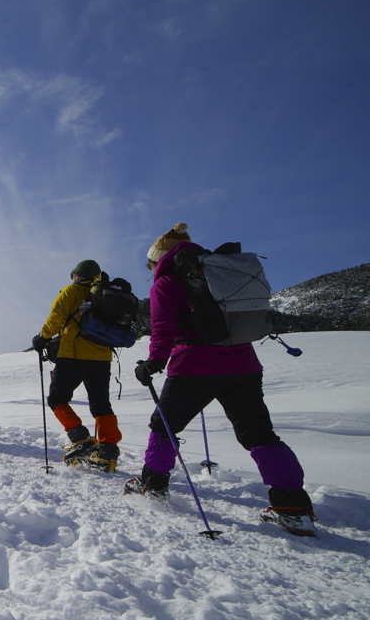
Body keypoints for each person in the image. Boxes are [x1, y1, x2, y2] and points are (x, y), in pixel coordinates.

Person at [127, 223, 316, 537]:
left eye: (150, 265)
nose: (150, 270)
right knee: (260, 433)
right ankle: (293, 508)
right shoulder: (218, 272)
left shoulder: (168, 281)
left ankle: (152, 485)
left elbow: (163, 329)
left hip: (195, 366)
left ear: (158, 259)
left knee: (165, 425)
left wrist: (153, 363)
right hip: (244, 364)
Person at [31, 260, 121, 471]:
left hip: (74, 355)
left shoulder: (73, 290)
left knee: (56, 398)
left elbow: (56, 317)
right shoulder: (106, 294)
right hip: (103, 356)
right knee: (101, 404)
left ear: (78, 275)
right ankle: (108, 452)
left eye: (73, 276)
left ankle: (80, 439)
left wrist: (42, 337)